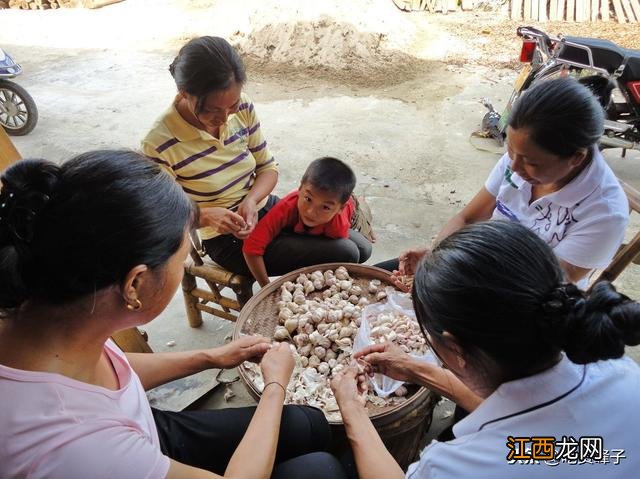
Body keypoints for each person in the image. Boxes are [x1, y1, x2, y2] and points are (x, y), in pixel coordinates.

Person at [0, 150, 346, 479]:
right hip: (120, 449)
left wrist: (210, 357)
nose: (182, 268)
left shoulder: (52, 319)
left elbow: (109, 371)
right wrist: (274, 386)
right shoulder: (79, 447)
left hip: (141, 424)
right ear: (135, 283)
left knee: (309, 424)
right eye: (181, 260)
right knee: (321, 468)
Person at [332, 220, 640, 479]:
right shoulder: (622, 372)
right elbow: (544, 444)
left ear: (455, 347)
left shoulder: (457, 466)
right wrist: (416, 368)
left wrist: (353, 412)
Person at [141, 36, 370, 278]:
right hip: (226, 240)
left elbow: (267, 167)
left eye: (232, 104)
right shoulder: (159, 143)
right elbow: (162, 217)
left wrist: (251, 201)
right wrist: (206, 216)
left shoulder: (241, 108)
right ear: (184, 93)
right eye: (213, 110)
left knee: (362, 248)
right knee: (347, 253)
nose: (226, 117)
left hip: (265, 209)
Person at [379, 78, 629, 289]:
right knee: (379, 276)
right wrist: (437, 257)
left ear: (577, 157)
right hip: (478, 268)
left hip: (521, 304)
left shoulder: (604, 212)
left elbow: (543, 288)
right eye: (510, 150)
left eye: (531, 162)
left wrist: (452, 270)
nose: (514, 168)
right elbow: (468, 219)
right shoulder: (519, 161)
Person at [243, 157, 372, 286]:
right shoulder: (287, 207)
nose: (311, 211)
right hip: (292, 236)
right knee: (349, 251)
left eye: (325, 207)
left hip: (325, 230)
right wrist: (266, 286)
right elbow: (251, 247)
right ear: (299, 189)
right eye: (308, 198)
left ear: (340, 208)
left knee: (365, 248)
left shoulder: (339, 224)